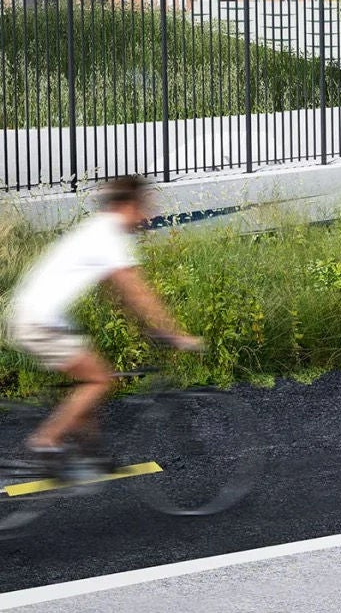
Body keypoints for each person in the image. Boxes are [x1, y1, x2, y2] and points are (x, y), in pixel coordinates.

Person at [2, 176, 204, 478]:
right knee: (99, 380)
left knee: (92, 373)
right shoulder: (110, 237)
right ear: (129, 205)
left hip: (41, 317)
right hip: (40, 322)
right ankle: (46, 440)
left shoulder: (97, 230)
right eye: (144, 206)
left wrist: (146, 329)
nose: (148, 216)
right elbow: (138, 293)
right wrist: (174, 334)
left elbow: (119, 294)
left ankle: (91, 453)